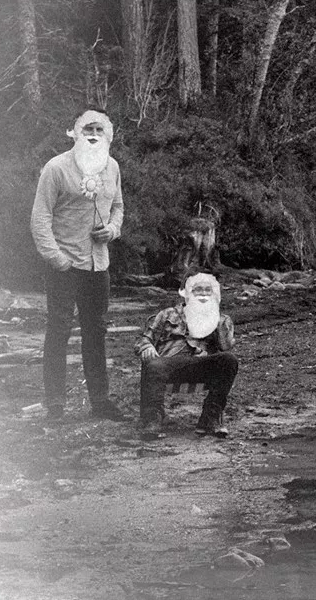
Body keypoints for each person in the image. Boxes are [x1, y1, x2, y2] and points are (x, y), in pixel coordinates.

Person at [30, 109, 125, 423]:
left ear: (108, 135)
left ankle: (100, 402)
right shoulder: (56, 168)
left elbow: (118, 207)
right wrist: (56, 258)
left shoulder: (112, 167)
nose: (94, 134)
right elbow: (40, 218)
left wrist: (112, 229)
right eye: (87, 129)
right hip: (64, 265)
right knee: (58, 332)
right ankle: (55, 405)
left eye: (100, 129)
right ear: (75, 133)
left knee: (95, 333)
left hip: (99, 266)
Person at [135, 271, 238, 438]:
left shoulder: (218, 319)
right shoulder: (167, 314)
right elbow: (143, 340)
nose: (203, 294)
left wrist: (216, 318)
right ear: (185, 292)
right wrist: (146, 347)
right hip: (168, 366)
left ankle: (210, 417)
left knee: (229, 360)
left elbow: (225, 346)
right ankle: (152, 418)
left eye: (208, 290)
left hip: (200, 366)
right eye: (198, 290)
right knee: (153, 364)